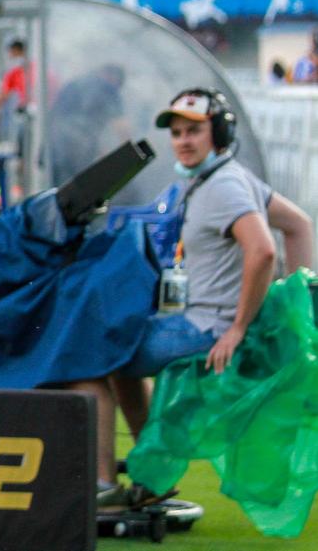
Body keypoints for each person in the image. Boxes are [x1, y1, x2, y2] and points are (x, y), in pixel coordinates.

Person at [89, 88, 312, 509]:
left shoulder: (223, 187)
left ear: (220, 134)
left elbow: (263, 250)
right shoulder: (226, 176)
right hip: (210, 321)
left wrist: (239, 327)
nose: (183, 141)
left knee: (100, 353)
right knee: (121, 362)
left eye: (194, 131)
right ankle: (153, 475)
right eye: (176, 133)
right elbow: (299, 225)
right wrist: (294, 308)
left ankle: (104, 485)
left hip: (207, 328)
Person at [47, 63, 129, 186]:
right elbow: (120, 125)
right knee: (78, 185)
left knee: (57, 184)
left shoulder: (75, 84)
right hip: (76, 146)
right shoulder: (107, 88)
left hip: (55, 143)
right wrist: (128, 154)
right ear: (111, 77)